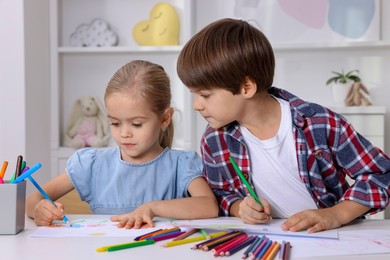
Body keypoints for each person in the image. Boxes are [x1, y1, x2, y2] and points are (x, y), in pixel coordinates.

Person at [176, 18, 390, 233]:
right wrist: (240, 207)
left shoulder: (319, 123)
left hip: (332, 238)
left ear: (246, 87)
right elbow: (220, 195)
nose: (196, 105)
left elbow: (380, 174)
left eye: (204, 95)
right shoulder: (214, 139)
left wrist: (336, 214)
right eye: (193, 94)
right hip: (267, 241)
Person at [26, 60, 218, 228]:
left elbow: (209, 206)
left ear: (165, 118)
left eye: (136, 124)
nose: (124, 133)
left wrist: (152, 208)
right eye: (115, 123)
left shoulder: (180, 164)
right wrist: (39, 210)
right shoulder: (92, 164)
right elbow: (32, 199)